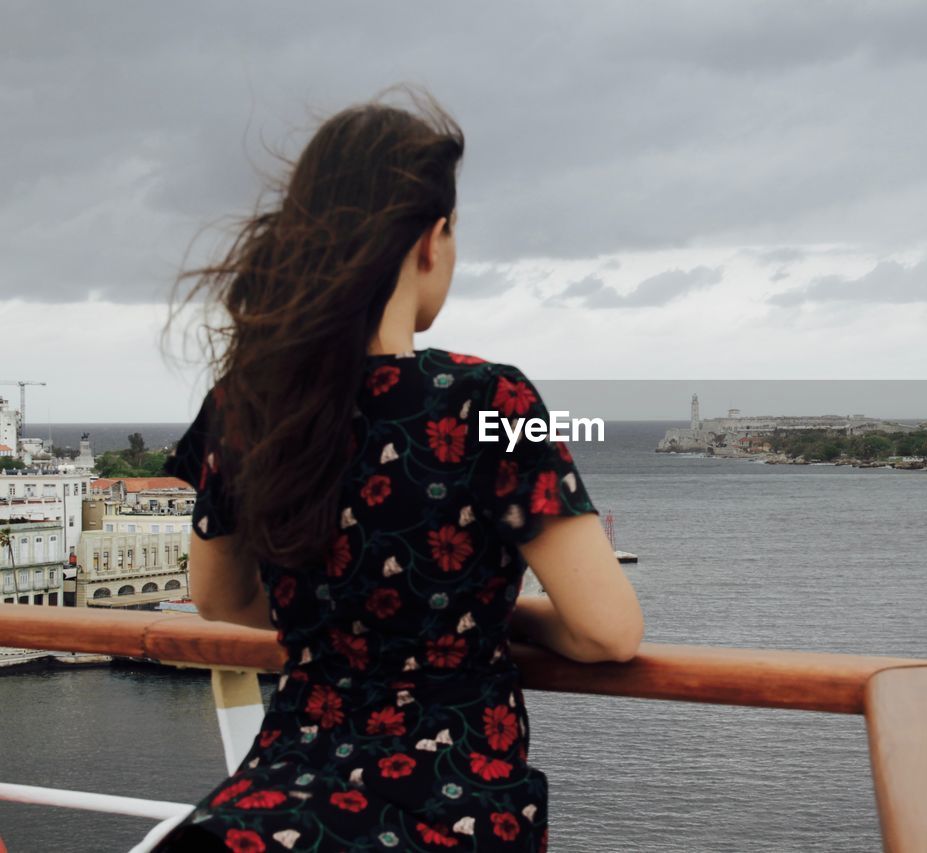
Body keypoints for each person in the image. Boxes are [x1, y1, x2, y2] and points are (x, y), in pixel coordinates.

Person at [151, 87, 644, 852]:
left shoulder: (247, 400)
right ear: (430, 239)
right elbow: (607, 632)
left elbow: (220, 599)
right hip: (447, 808)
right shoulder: (489, 400)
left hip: (268, 805)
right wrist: (470, 617)